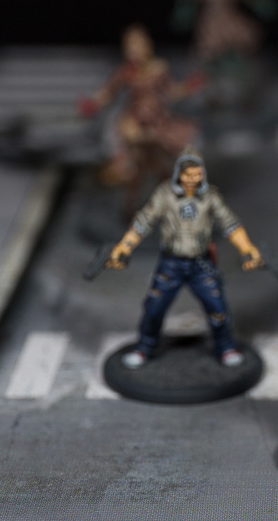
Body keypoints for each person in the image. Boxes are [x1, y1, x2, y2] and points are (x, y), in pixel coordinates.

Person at [106, 148, 263, 369]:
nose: (193, 180)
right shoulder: (164, 195)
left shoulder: (210, 197)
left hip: (201, 264)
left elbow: (230, 225)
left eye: (197, 175)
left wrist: (247, 248)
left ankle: (225, 347)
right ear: (179, 174)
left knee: (218, 308)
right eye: (189, 175)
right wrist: (124, 246)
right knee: (154, 308)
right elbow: (143, 222)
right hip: (171, 263)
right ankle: (144, 347)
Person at [78, 24, 203, 219]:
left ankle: (167, 205)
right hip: (136, 123)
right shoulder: (127, 72)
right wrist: (92, 104)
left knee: (157, 167)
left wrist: (190, 86)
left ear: (148, 46)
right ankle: (131, 209)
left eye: (138, 46)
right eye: (129, 47)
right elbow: (107, 92)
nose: (134, 52)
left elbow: (173, 91)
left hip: (158, 123)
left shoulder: (159, 69)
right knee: (141, 168)